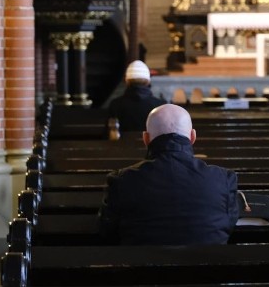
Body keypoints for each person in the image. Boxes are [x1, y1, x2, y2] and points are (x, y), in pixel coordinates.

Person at [98, 104, 239, 245]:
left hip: (141, 264)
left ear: (146, 139)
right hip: (210, 265)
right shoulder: (223, 178)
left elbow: (108, 231)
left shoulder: (121, 180)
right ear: (192, 136)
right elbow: (228, 225)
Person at [108, 60, 166, 133]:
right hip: (151, 144)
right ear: (148, 81)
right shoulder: (160, 105)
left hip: (123, 144)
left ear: (127, 81)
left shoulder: (115, 104)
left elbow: (109, 133)